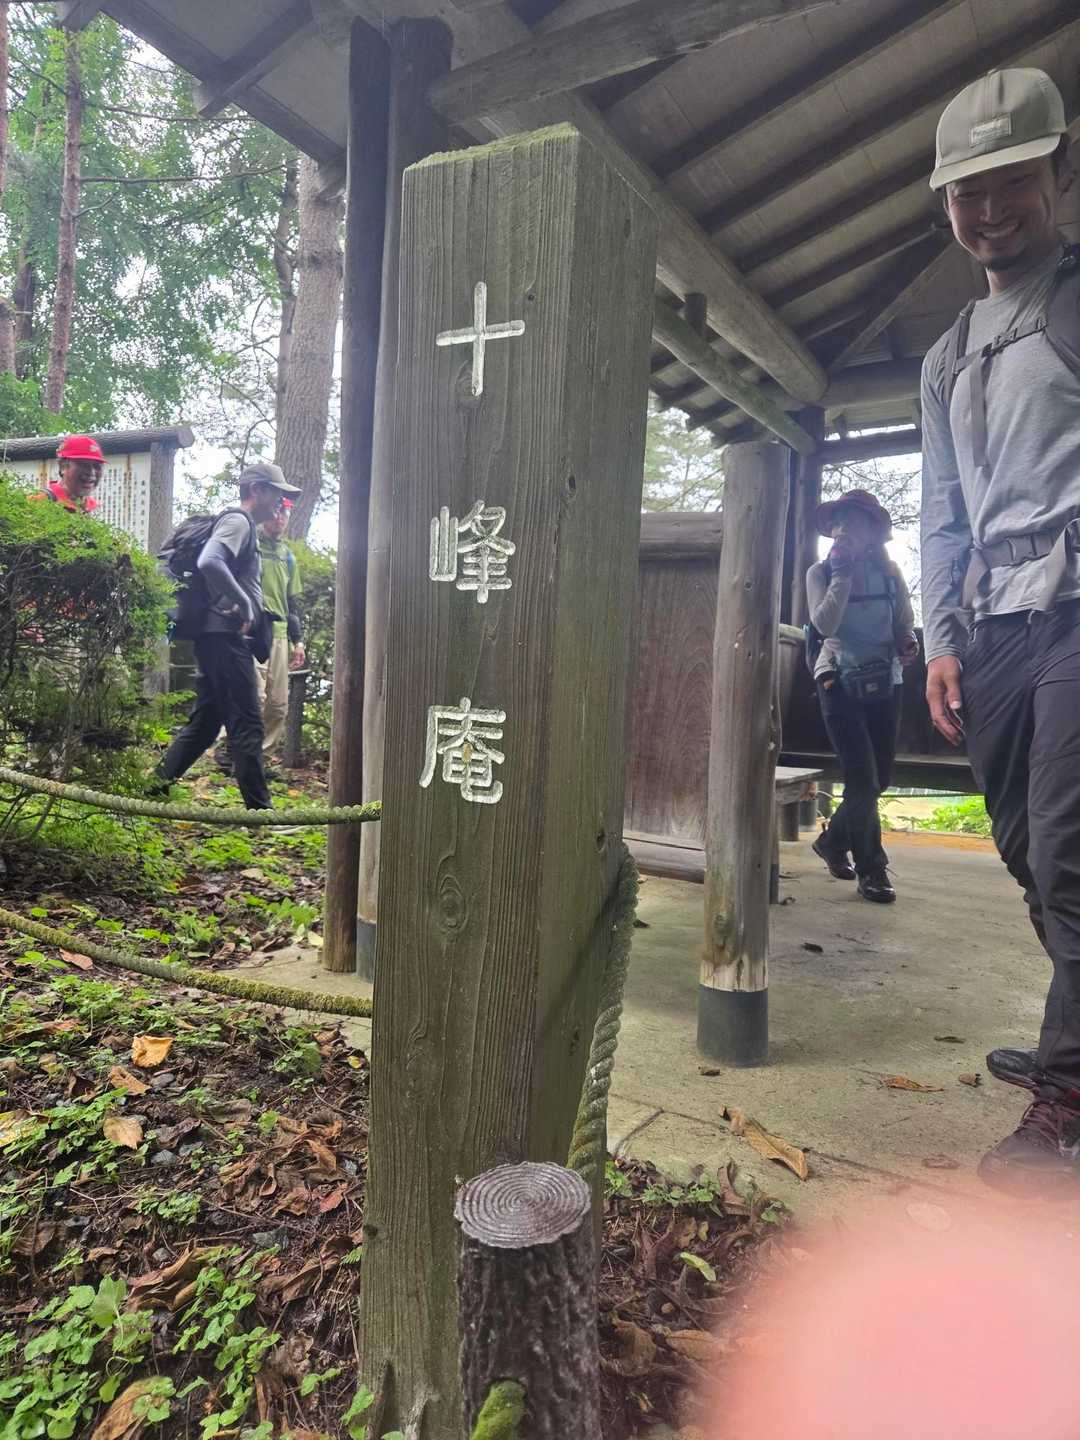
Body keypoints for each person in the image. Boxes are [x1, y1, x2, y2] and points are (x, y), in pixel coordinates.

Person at [920, 68, 1080, 1192]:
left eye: (1011, 181)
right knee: (1027, 852)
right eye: (967, 191)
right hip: (996, 625)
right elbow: (940, 510)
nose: (989, 209)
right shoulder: (945, 354)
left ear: (1058, 175)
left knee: (1071, 853)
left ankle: (1064, 1104)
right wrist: (941, 636)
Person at [149, 462, 301, 809]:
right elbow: (210, 561)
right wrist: (245, 603)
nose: (281, 503)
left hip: (217, 639)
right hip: (225, 641)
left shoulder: (242, 524)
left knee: (206, 724)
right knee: (248, 724)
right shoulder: (238, 521)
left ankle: (152, 790)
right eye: (277, 494)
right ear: (257, 490)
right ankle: (261, 813)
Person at [806, 489, 919, 904]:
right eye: (840, 520)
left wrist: (907, 641)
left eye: (855, 520)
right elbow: (824, 625)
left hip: (885, 680)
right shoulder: (820, 572)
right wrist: (843, 573)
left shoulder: (890, 573)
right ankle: (872, 869)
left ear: (873, 532)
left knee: (879, 778)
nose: (845, 528)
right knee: (862, 779)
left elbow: (904, 622)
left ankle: (833, 841)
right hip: (837, 680)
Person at [254, 500, 304, 761]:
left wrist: (299, 642)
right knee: (254, 696)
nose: (280, 518)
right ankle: (230, 749)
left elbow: (292, 603)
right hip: (252, 632)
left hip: (280, 635)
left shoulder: (287, 556)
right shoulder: (250, 546)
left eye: (284, 513)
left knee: (278, 704)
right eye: (275, 512)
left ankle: (261, 759)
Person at [29, 434, 105, 512]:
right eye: (84, 465)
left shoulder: (94, 509)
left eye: (97, 466)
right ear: (63, 466)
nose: (91, 472)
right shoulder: (39, 501)